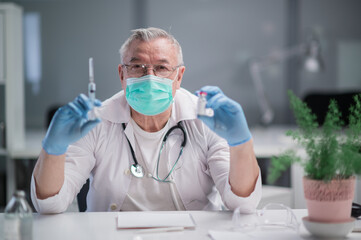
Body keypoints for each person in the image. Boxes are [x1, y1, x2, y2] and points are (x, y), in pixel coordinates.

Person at [31, 27, 261, 213]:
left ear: (178, 76)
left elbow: (243, 203)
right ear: (122, 74)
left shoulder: (206, 119)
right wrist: (53, 148)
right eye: (138, 67)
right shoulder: (96, 122)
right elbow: (49, 204)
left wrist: (241, 142)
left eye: (161, 68)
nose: (150, 77)